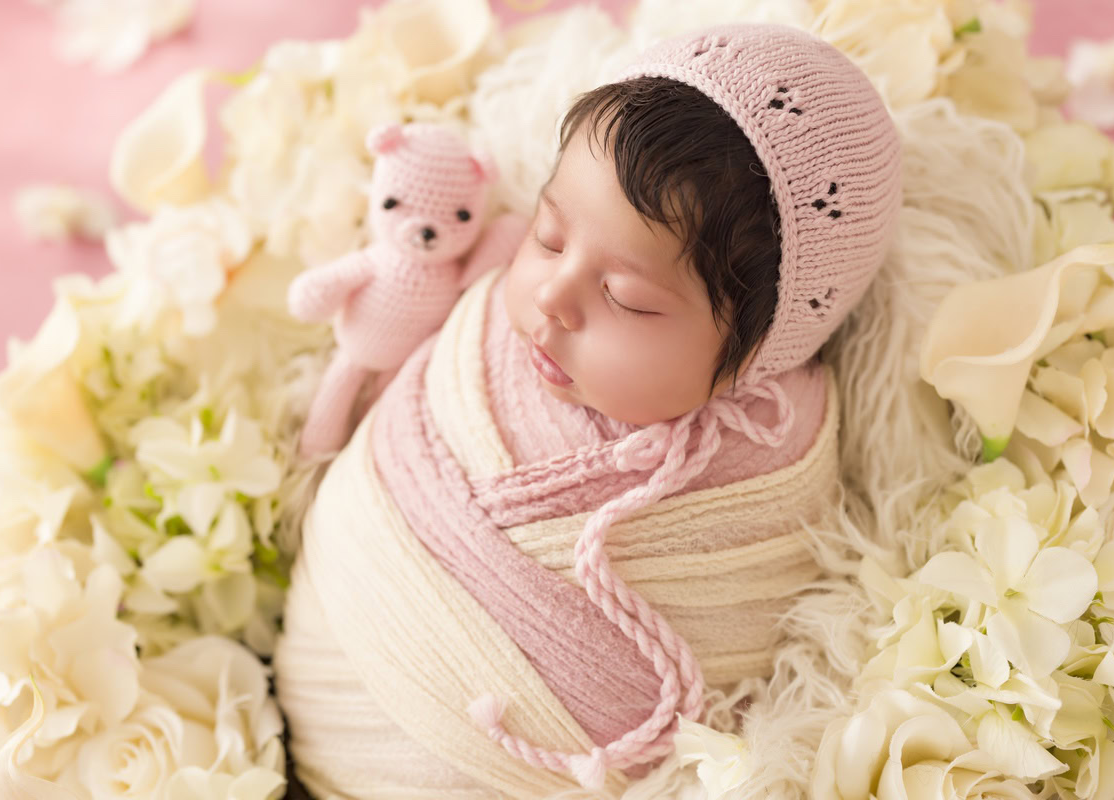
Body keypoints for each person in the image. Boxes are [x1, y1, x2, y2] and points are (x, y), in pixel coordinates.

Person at [274, 22, 902, 798]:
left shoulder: (769, 470)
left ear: (758, 353)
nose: (552, 298)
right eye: (547, 234)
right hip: (314, 667)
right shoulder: (485, 336)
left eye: (626, 299)